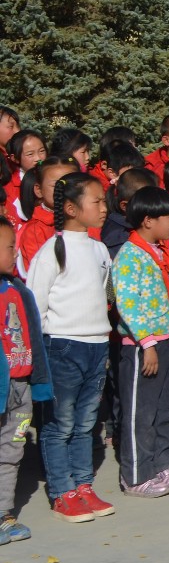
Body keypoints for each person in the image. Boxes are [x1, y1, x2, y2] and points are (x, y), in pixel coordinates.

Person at [26, 172, 116, 520]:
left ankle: (83, 486)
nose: (103, 208)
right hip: (62, 348)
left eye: (104, 201)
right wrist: (42, 352)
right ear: (71, 209)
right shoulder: (53, 250)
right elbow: (35, 306)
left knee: (86, 423)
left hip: (97, 346)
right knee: (60, 423)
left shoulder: (99, 249)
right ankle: (62, 491)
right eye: (96, 201)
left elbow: (106, 292)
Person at [110, 185, 169, 497]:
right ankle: (136, 475)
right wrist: (146, 344)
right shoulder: (129, 255)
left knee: (166, 409)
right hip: (143, 347)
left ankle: (164, 464)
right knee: (141, 413)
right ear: (147, 220)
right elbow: (128, 304)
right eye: (168, 218)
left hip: (168, 341)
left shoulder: (160, 252)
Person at [0, 216, 52, 543]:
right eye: (9, 247)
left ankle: (3, 514)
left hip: (22, 389)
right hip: (1, 390)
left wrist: (39, 381)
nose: (14, 252)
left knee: (12, 451)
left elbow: (33, 335)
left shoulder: (18, 289)